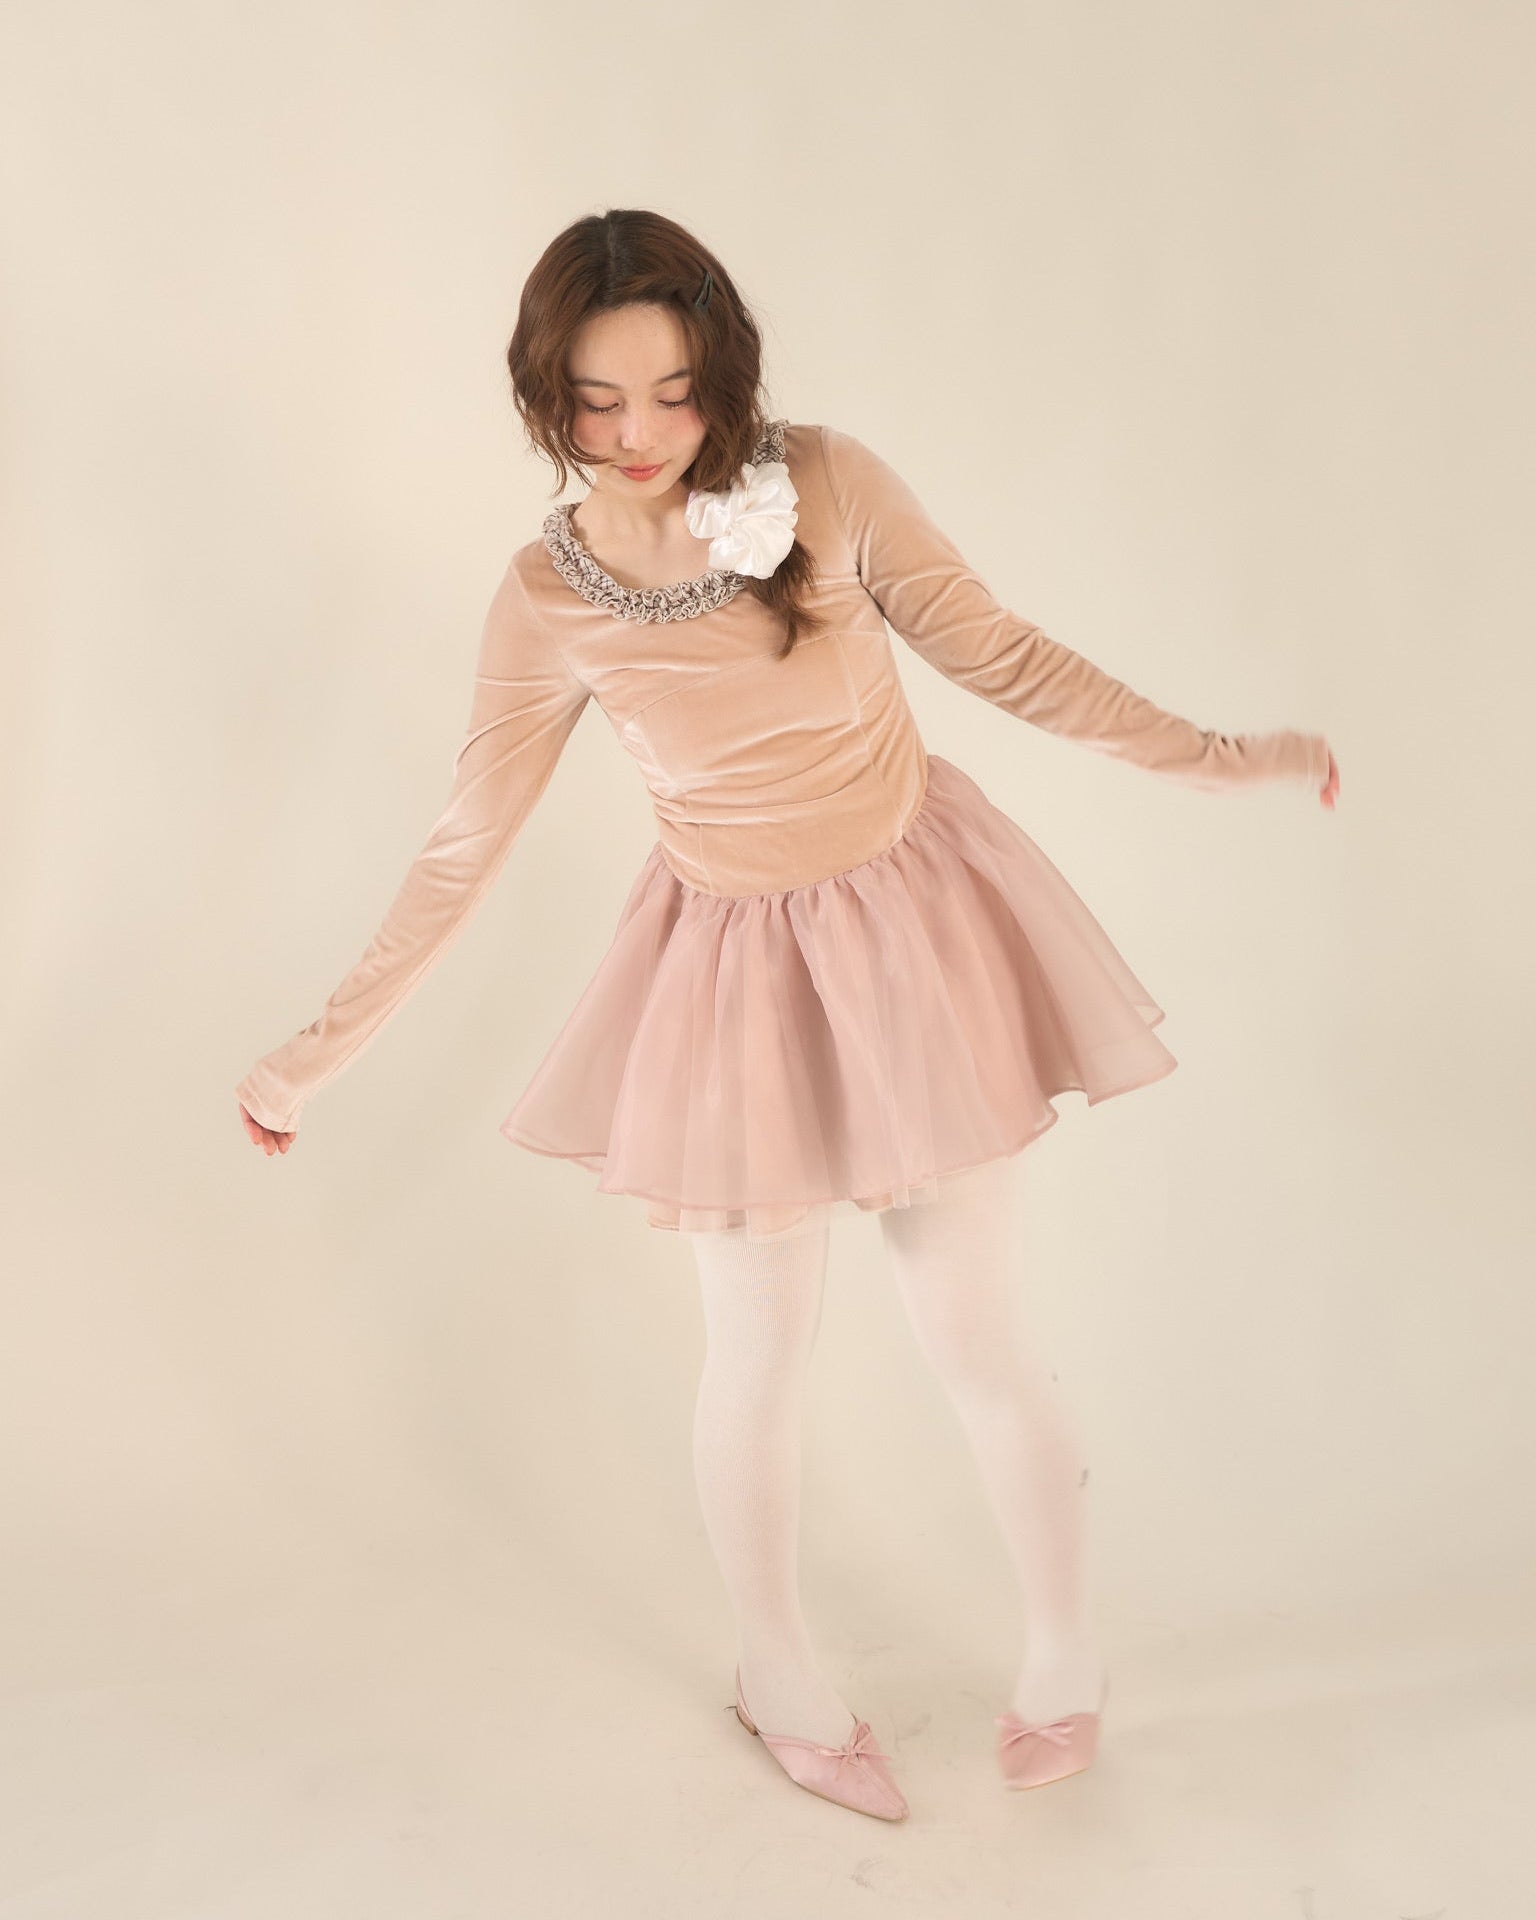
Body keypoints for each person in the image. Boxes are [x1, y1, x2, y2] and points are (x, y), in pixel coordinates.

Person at [235, 208, 1338, 1823]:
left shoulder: (826, 481)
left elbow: (1008, 659)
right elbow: (467, 842)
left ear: (724, 371)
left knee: (976, 1334)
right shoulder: (543, 596)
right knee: (758, 1352)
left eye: (674, 393)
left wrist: (1228, 760)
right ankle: (775, 1668)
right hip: (734, 977)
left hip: (913, 934)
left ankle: (1062, 1648)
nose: (639, 434)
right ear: (545, 394)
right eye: (596, 401)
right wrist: (310, 1055)